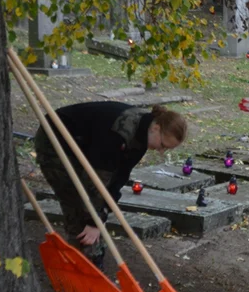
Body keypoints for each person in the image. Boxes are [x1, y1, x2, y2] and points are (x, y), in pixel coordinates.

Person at [34, 102, 187, 269]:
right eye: (163, 145)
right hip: (56, 139)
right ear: (156, 128)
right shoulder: (119, 133)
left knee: (94, 211)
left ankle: (92, 259)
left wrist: (102, 215)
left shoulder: (141, 138)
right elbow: (95, 183)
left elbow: (117, 180)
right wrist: (94, 222)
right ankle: (84, 264)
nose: (161, 151)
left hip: (85, 145)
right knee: (77, 204)